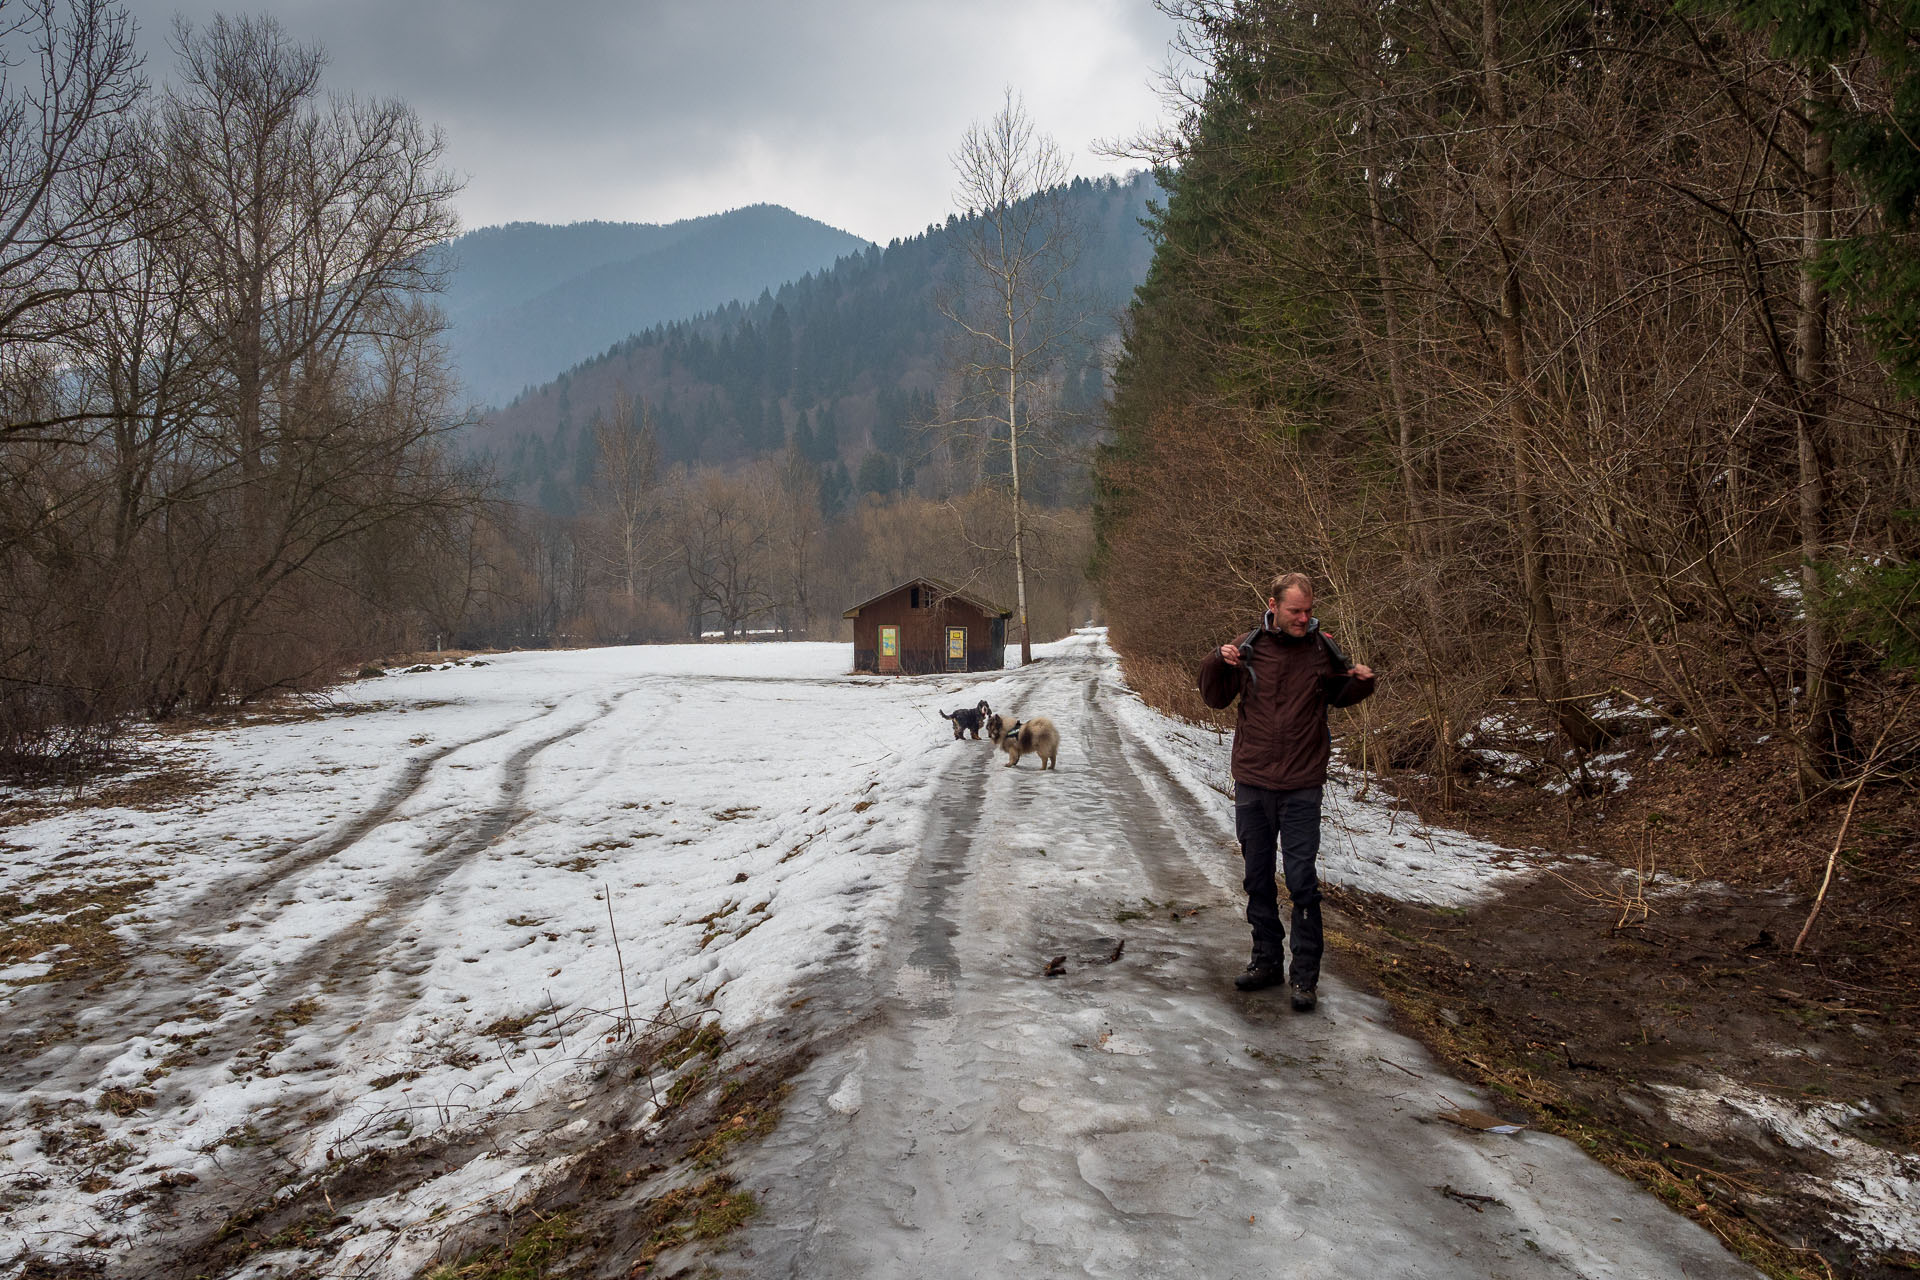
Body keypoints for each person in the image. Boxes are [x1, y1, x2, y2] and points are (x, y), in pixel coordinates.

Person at [1197, 573, 1375, 1010]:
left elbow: (1338, 692)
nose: (1303, 618)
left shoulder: (1322, 648)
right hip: (1254, 781)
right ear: (1273, 605)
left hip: (1301, 785)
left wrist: (1361, 681)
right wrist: (1218, 662)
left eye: (1308, 610)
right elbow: (1214, 697)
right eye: (1295, 610)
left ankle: (1305, 978)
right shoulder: (1248, 645)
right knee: (1257, 878)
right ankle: (1266, 962)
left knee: (1301, 883)